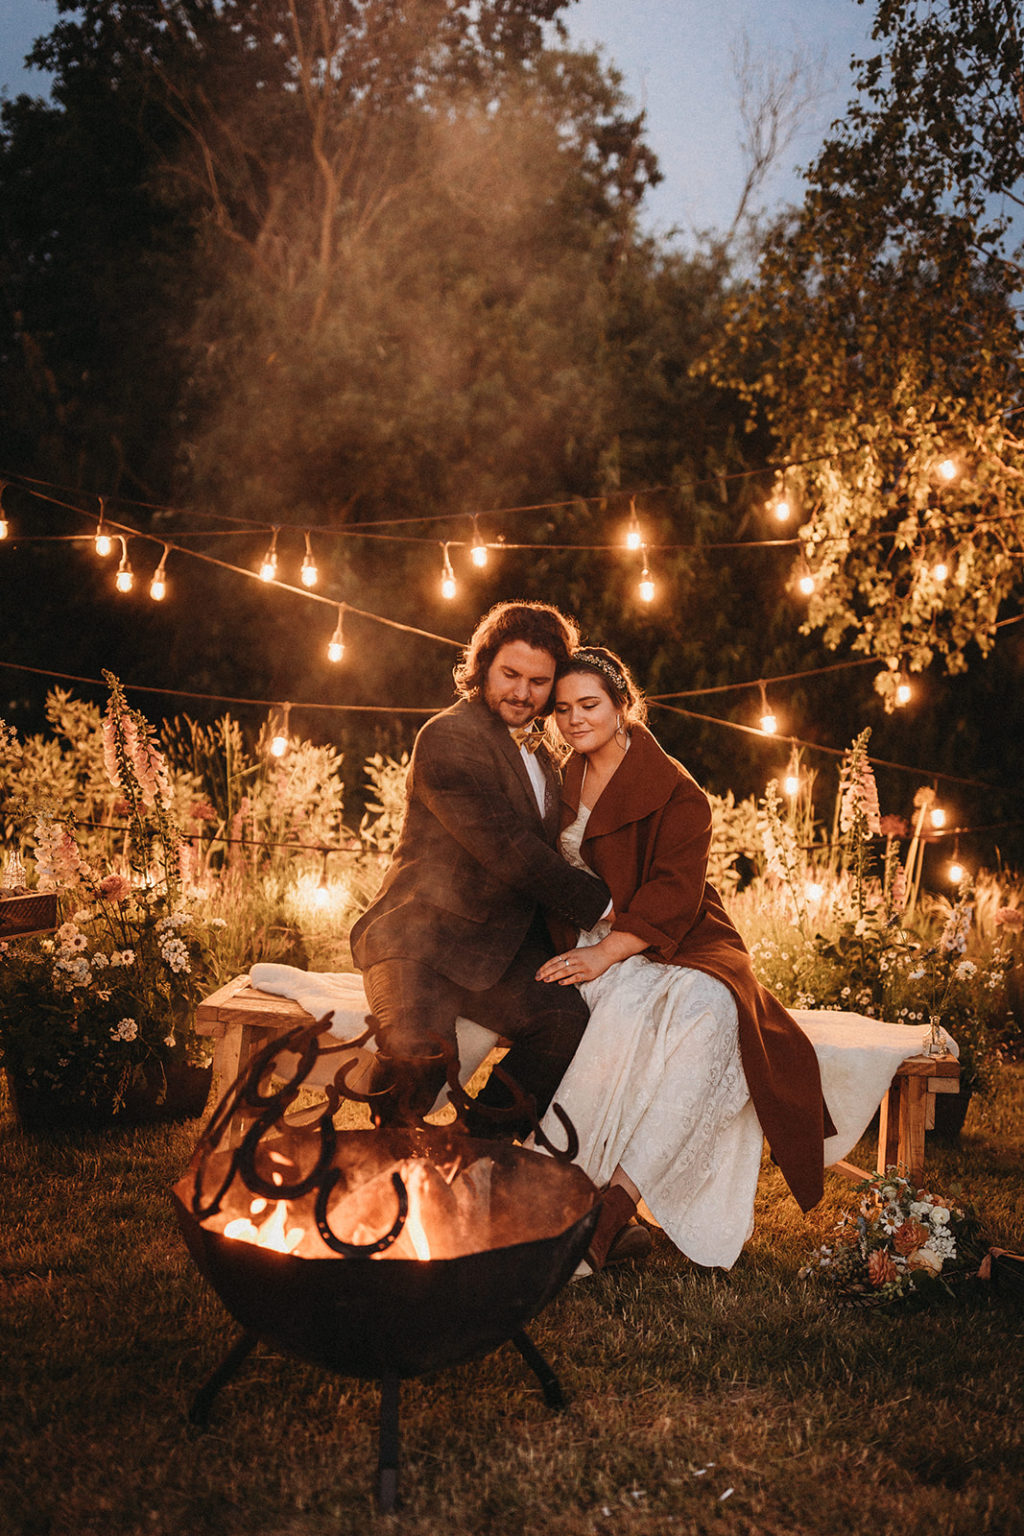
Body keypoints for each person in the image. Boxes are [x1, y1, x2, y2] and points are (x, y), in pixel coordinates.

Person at [534, 647, 836, 1272]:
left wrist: (610, 953)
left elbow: (676, 889)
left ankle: (617, 1201)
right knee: (628, 1010)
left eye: (589, 705)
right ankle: (558, 1191)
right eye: (562, 709)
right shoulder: (554, 775)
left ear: (623, 707)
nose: (574, 720)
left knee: (712, 1009)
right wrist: (586, 953)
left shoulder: (676, 791)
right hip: (585, 938)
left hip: (677, 934)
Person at [350, 601, 611, 1131]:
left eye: (539, 681)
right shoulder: (448, 736)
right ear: (483, 665)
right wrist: (606, 906)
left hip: (499, 952)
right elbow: (509, 850)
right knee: (416, 1059)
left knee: (564, 1024)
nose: (522, 692)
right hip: (418, 943)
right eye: (510, 674)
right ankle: (383, 1172)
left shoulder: (544, 754)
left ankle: (475, 1149)